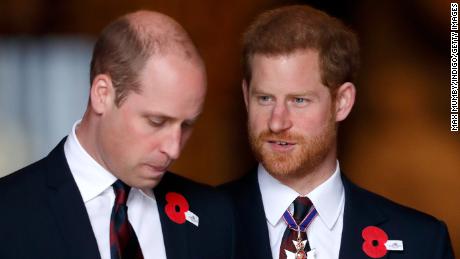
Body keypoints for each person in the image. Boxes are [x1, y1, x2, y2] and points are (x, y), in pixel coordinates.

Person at [221, 5, 454, 259]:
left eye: (299, 100)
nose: (277, 122)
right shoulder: (193, 226)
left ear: (343, 102)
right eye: (265, 98)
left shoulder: (424, 240)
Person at [0, 10, 233, 259]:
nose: (173, 148)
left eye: (186, 126)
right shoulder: (9, 213)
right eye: (157, 121)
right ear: (102, 94)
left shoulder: (214, 216)